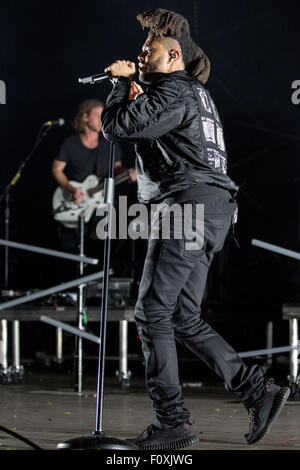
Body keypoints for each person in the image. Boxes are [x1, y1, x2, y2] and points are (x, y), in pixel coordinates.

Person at [101, 8, 290, 450]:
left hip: (188, 208)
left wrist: (116, 87)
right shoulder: (191, 94)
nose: (141, 55)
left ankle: (174, 423)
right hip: (212, 210)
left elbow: (117, 128)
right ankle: (257, 391)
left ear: (172, 56)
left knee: (151, 313)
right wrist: (133, 92)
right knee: (182, 317)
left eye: (148, 51)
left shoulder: (175, 92)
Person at [52, 98, 136, 259]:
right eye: (97, 115)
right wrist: (72, 189)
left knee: (103, 241)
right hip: (76, 201)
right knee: (73, 248)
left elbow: (117, 168)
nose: (101, 119)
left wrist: (129, 173)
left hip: (102, 202)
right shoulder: (70, 143)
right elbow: (57, 170)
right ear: (85, 117)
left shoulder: (109, 143)